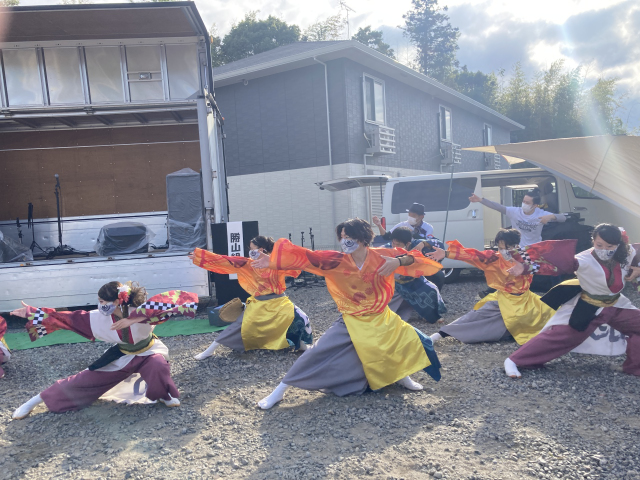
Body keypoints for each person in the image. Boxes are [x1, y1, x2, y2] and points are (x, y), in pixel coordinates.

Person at [252, 218, 443, 409]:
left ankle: (402, 376)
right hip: (351, 319)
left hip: (381, 317)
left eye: (349, 236)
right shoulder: (336, 261)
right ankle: (280, 390)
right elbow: (307, 258)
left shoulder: (383, 255)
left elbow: (418, 259)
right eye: (342, 237)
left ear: (363, 237)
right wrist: (273, 261)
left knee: (401, 344)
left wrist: (398, 261)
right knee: (317, 351)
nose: (345, 241)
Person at [11, 282, 198, 419]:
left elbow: (179, 301)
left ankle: (164, 395)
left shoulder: (141, 311)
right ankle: (36, 400)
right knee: (82, 380)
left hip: (149, 352)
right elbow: (65, 319)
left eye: (102, 301)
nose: (100, 304)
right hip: (122, 355)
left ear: (117, 301)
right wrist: (33, 313)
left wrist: (133, 319)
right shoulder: (97, 317)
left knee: (158, 365)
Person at [504, 224, 640, 379]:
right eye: (599, 245)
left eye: (610, 246)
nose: (604, 249)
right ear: (593, 241)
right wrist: (525, 267)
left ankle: (635, 366)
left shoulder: (626, 252)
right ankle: (514, 360)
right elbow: (555, 265)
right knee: (561, 336)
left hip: (617, 304)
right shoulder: (583, 259)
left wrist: (637, 267)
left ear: (618, 244)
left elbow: (636, 251)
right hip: (591, 307)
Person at [426, 229, 575, 346]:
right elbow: (474, 255)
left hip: (525, 301)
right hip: (501, 298)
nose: (503, 250)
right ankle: (439, 335)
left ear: (516, 245)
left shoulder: (526, 256)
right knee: (475, 315)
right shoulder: (494, 257)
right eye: (500, 247)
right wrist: (446, 253)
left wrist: (524, 267)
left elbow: (547, 267)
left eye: (507, 247)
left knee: (551, 318)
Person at [188, 235, 312, 359]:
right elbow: (225, 260)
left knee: (300, 318)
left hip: (280, 302)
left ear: (261, 250)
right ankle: (209, 351)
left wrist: (272, 260)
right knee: (238, 327)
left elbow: (295, 266)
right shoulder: (247, 264)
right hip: (259, 304)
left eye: (252, 249)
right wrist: (200, 257)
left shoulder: (276, 263)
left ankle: (301, 345)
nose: (250, 251)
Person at [386, 227, 447, 324]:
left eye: (398, 244)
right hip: (394, 280)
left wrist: (423, 243)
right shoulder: (387, 248)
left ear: (408, 244)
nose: (395, 246)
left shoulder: (416, 244)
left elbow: (439, 243)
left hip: (415, 278)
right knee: (395, 294)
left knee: (431, 289)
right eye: (393, 243)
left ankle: (430, 315)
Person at [469, 188, 566, 246]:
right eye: (523, 201)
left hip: (534, 249)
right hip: (517, 248)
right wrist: (481, 200)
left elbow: (563, 218)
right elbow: (497, 207)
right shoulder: (515, 212)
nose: (524, 204)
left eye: (527, 203)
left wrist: (551, 216)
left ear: (535, 205)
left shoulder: (540, 214)